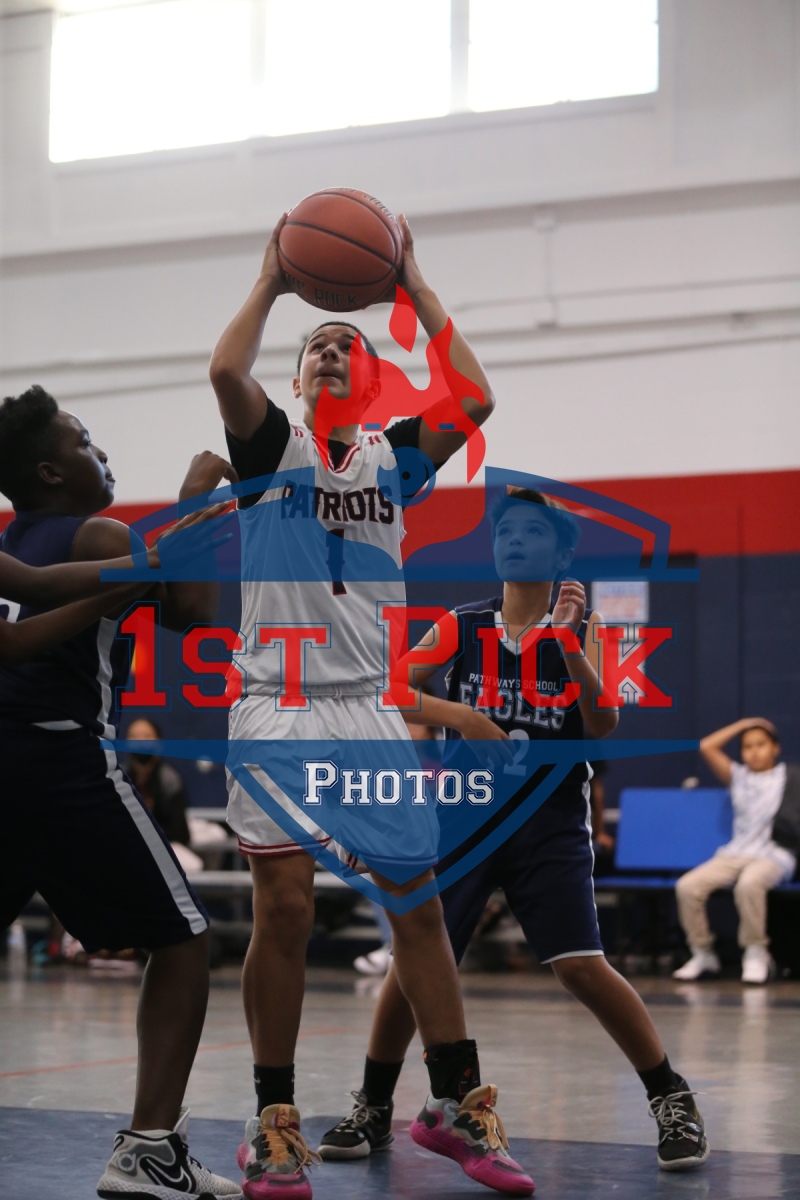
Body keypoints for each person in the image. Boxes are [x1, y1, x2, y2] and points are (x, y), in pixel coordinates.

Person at [210, 215, 535, 1197]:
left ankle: (454, 1104)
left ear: (374, 377)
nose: (331, 352)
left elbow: (474, 395)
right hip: (276, 705)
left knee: (417, 908)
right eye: (317, 346)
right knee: (285, 908)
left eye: (347, 345)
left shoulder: (395, 459)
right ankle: (273, 1121)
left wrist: (413, 283)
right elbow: (225, 371)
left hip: (364, 711)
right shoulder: (270, 449)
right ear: (297, 378)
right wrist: (272, 281)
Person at [319, 487, 709, 1175]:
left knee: (581, 965)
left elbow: (603, 724)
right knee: (416, 960)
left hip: (548, 825)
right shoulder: (463, 625)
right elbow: (393, 689)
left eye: (533, 531)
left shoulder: (588, 630)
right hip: (465, 818)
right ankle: (374, 1106)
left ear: (561, 555)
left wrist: (568, 645)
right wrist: (463, 717)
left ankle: (670, 1097)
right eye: (506, 531)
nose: (515, 540)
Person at [0, 385, 242, 1200]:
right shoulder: (101, 533)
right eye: (84, 441)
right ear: (50, 471)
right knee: (181, 939)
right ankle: (148, 1149)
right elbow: (195, 610)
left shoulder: (10, 543)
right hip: (63, 761)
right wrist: (196, 507)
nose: (101, 452)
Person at [673, 718, 799, 985]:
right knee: (687, 887)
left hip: (774, 854)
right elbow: (706, 746)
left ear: (775, 748)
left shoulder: (790, 777)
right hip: (735, 853)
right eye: (747, 746)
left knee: (749, 884)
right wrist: (745, 724)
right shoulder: (738, 777)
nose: (754, 751)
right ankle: (703, 953)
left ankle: (756, 952)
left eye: (761, 744)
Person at [125, 716, 203, 874]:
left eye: (147, 736)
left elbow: (180, 834)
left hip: (166, 844)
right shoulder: (119, 780)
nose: (141, 742)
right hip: (128, 845)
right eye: (134, 736)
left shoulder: (170, 781)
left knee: (192, 864)